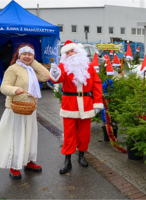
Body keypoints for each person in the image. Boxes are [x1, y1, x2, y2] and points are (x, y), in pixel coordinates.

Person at [0, 44, 50, 179]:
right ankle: (14, 165)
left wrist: (34, 62)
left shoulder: (32, 69)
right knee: (16, 137)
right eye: (24, 54)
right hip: (15, 109)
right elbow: (4, 87)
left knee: (30, 136)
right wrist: (14, 90)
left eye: (30, 54)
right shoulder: (13, 69)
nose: (27, 57)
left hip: (29, 109)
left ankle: (29, 161)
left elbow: (46, 76)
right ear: (18, 55)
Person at [50, 40, 103, 174]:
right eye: (67, 53)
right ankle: (67, 160)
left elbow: (96, 84)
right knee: (69, 134)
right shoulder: (63, 66)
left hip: (86, 103)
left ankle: (82, 156)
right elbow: (58, 79)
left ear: (78, 52)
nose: (70, 54)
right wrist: (55, 72)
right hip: (70, 104)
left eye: (72, 51)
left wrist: (97, 102)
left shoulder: (88, 66)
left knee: (84, 134)